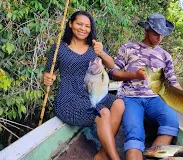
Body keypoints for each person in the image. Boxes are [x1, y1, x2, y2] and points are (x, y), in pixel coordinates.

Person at [43, 11, 124, 160]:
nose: (83, 28)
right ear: (70, 24)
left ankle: (103, 153)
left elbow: (111, 65)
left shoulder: (94, 47)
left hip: (93, 93)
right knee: (104, 113)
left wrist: (102, 53)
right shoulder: (59, 48)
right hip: (69, 97)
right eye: (79, 24)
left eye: (87, 26)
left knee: (119, 103)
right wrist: (48, 78)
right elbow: (48, 72)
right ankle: (114, 158)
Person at [108, 13, 183, 160]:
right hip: (131, 98)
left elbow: (174, 82)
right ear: (146, 30)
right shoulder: (128, 48)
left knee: (171, 122)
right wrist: (134, 75)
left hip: (155, 98)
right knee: (135, 133)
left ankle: (151, 156)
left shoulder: (165, 56)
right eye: (156, 33)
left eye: (162, 34)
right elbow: (112, 72)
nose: (159, 38)